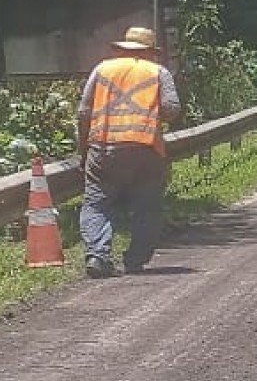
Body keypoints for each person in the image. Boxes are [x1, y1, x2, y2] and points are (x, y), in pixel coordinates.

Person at [76, 25, 181, 278]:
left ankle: (98, 256)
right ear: (151, 51)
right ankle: (135, 260)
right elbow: (172, 109)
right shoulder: (159, 72)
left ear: (122, 47)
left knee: (97, 203)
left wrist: (83, 147)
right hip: (145, 148)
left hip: (103, 147)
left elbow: (83, 113)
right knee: (147, 206)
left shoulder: (102, 70)